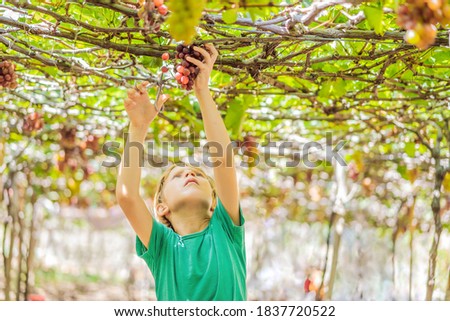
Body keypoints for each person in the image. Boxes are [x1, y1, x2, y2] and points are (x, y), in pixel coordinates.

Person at [116, 43, 246, 301]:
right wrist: (138, 127)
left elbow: (223, 159)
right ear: (162, 208)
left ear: (214, 203)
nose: (191, 174)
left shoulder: (226, 229)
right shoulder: (161, 247)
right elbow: (127, 196)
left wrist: (202, 92)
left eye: (198, 175)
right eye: (178, 176)